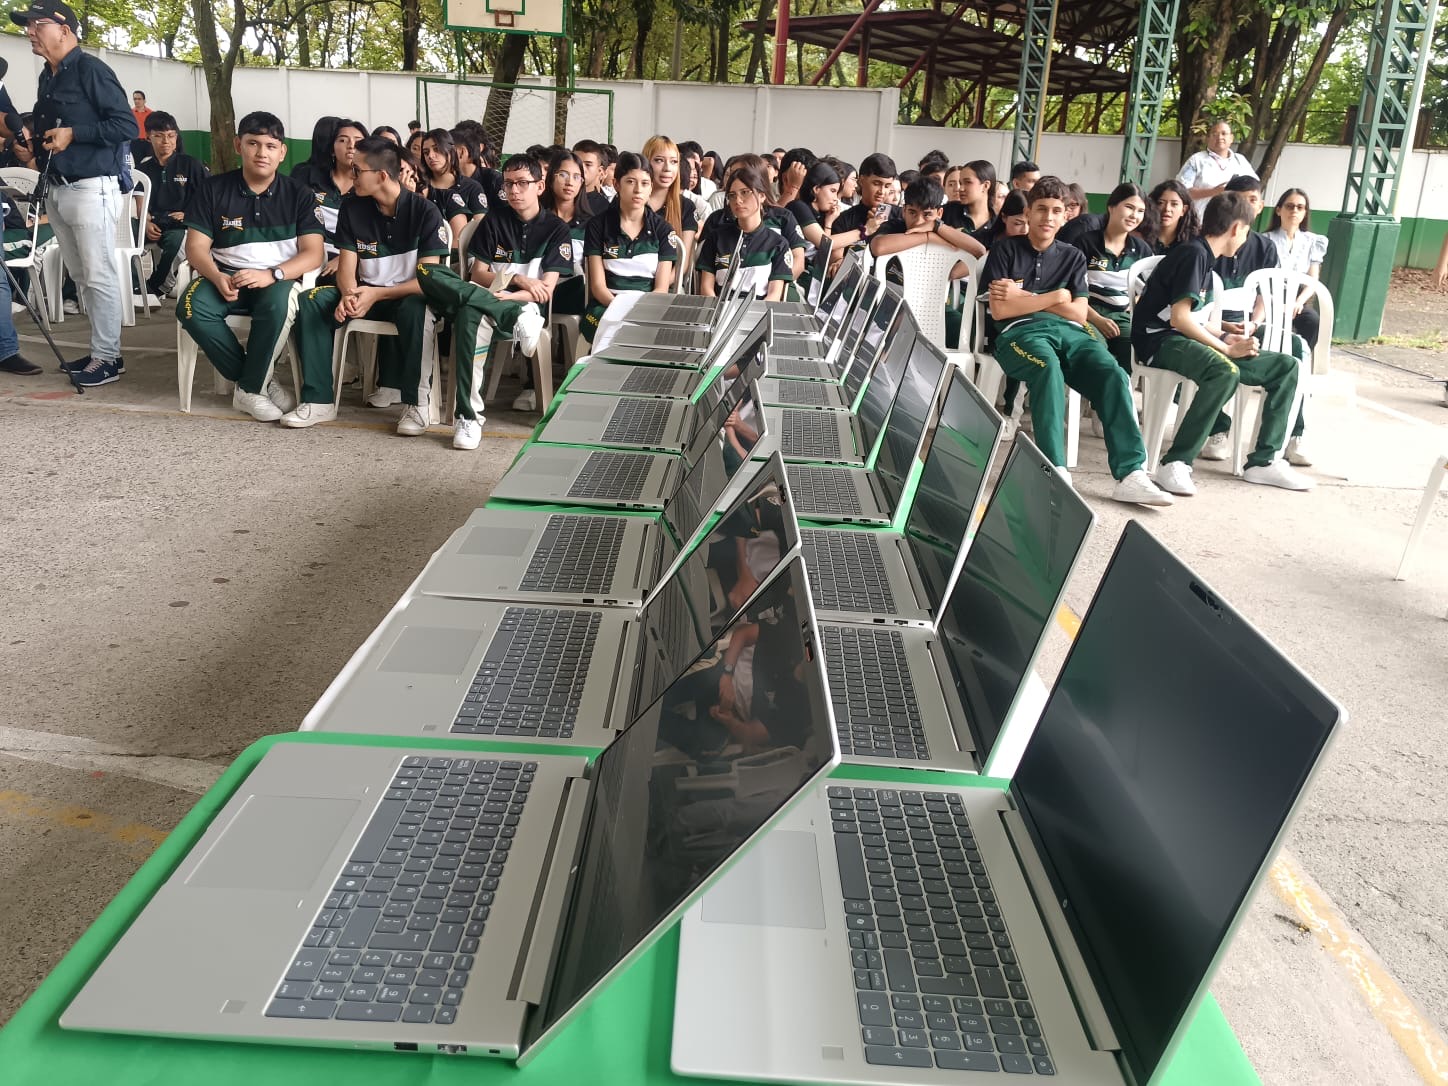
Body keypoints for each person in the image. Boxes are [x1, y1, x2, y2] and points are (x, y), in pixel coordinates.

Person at [978, 176, 1172, 507]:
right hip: (1019, 334)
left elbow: (1080, 313)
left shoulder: (1072, 256)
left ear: (1066, 214)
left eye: (1056, 211)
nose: (1048, 217)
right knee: (1048, 369)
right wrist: (1057, 297)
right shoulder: (1005, 250)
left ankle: (1131, 474)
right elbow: (1000, 310)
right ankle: (1054, 469)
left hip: (1071, 332)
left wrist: (1026, 296)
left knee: (1113, 373)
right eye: (1041, 209)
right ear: (1029, 212)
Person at [1132, 192, 1309, 495]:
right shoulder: (1193, 254)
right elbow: (1179, 319)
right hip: (1158, 341)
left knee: (1286, 366)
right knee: (1223, 370)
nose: (1245, 239)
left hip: (1184, 339)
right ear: (1237, 228)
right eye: (1247, 231)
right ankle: (1175, 464)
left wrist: (1227, 334)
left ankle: (1264, 462)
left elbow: (1195, 317)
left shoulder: (1206, 258)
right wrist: (1226, 349)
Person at [287, 136, 451, 434]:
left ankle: (416, 405)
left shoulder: (425, 212)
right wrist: (348, 295)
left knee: (417, 309)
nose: (352, 176)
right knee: (311, 300)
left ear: (382, 175)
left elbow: (428, 280)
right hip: (365, 294)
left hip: (407, 296)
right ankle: (318, 401)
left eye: (357, 170)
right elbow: (346, 268)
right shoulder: (353, 207)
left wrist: (375, 294)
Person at [11, 0, 137, 387]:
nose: (29, 32)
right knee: (82, 275)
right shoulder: (47, 77)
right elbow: (56, 131)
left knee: (98, 274)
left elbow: (126, 125)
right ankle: (103, 351)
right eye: (27, 25)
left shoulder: (92, 70)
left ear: (64, 30)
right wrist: (33, 148)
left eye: (37, 24)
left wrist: (74, 134)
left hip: (91, 188)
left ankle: (108, 359)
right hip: (58, 186)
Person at [177, 110, 323, 421]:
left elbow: (314, 253)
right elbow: (196, 248)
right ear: (238, 145)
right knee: (190, 308)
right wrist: (216, 276)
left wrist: (273, 274)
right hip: (225, 276)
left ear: (282, 152)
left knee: (280, 304)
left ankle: (248, 389)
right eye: (253, 143)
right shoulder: (213, 189)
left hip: (277, 278)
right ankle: (258, 381)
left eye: (271, 146)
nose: (261, 153)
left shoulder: (299, 194)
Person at [452, 153, 571, 418]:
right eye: (508, 184)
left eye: (522, 183)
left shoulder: (557, 229)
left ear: (540, 186)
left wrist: (512, 297)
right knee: (469, 315)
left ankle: (521, 314)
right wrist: (517, 279)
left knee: (477, 308)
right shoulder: (493, 221)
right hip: (491, 301)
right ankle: (468, 416)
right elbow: (477, 274)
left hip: (528, 304)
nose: (514, 190)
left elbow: (546, 290)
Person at [581, 150, 677, 343]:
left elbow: (661, 289)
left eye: (645, 183)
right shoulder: (597, 226)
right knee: (608, 329)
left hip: (648, 308)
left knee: (651, 333)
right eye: (630, 182)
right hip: (606, 306)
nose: (638, 190)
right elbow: (598, 287)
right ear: (617, 184)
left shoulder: (663, 230)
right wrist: (620, 309)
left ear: (651, 187)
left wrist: (637, 312)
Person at [1071, 183, 1152, 373]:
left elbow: (1151, 290)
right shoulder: (1086, 243)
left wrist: (1134, 304)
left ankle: (1119, 391)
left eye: (1140, 211)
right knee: (1097, 353)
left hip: (1123, 317)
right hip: (1088, 315)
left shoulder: (1142, 250)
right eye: (1129, 207)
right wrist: (1098, 319)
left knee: (1134, 348)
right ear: (1111, 207)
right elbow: (1071, 290)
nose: (1134, 215)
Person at [136, 110, 209, 301]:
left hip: (181, 225)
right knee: (121, 238)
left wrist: (188, 214)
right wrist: (146, 223)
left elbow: (207, 199)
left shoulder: (191, 165)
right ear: (148, 137)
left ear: (176, 137)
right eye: (159, 136)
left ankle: (155, 287)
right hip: (153, 222)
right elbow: (140, 204)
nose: (166, 141)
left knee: (178, 241)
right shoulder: (143, 169)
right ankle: (133, 285)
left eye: (171, 135)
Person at [696, 165, 792, 301]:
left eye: (745, 192)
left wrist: (755, 313)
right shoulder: (716, 237)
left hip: (758, 310)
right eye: (732, 195)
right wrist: (719, 310)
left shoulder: (778, 243)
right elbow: (706, 288)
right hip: (718, 307)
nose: (738, 200)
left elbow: (774, 295)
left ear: (762, 195)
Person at [829, 153, 902, 265]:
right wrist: (838, 263)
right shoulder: (844, 219)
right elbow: (836, 258)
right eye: (876, 183)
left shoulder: (901, 216)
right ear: (861, 181)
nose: (882, 191)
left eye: (887, 186)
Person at [419, 128, 486, 244]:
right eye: (426, 152)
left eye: (437, 149)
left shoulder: (472, 187)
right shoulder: (420, 187)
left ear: (451, 150)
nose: (431, 156)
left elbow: (480, 227)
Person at [1177, 119, 1257, 215]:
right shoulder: (1196, 160)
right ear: (1207, 139)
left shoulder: (1240, 160)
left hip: (1231, 219)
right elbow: (1181, 191)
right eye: (1214, 134)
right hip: (1200, 219)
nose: (1220, 137)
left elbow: (1254, 187)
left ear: (1231, 138)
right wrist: (1214, 191)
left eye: (1224, 133)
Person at [643, 135, 696, 277]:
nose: (667, 168)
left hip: (669, 285)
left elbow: (682, 265)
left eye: (673, 162)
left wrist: (660, 286)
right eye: (659, 160)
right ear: (646, 163)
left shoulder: (686, 207)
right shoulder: (632, 202)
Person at [1147, 179, 1198, 253]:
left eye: (1174, 204)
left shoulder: (1191, 244)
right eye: (1160, 203)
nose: (1167, 209)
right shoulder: (1141, 237)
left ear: (1184, 210)